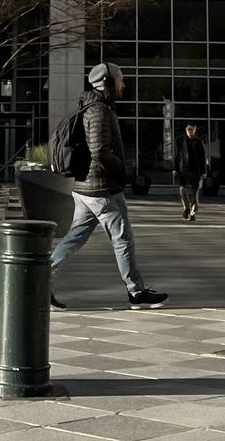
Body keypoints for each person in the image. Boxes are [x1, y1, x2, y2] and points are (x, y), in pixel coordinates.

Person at [50, 63, 169, 310]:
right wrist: (122, 170)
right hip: (101, 189)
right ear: (107, 83)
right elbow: (99, 151)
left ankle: (39, 282)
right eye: (120, 80)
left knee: (74, 238)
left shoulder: (93, 107)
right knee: (122, 240)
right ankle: (136, 293)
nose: (123, 85)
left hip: (86, 188)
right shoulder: (99, 111)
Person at [173, 123, 208, 221]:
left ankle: (193, 212)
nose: (190, 131)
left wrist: (204, 171)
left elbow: (202, 158)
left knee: (194, 192)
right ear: (186, 130)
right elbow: (177, 156)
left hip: (195, 171)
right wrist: (175, 168)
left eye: (192, 129)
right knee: (182, 190)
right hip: (183, 170)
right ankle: (186, 209)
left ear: (195, 130)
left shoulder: (199, 141)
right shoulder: (180, 141)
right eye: (188, 129)